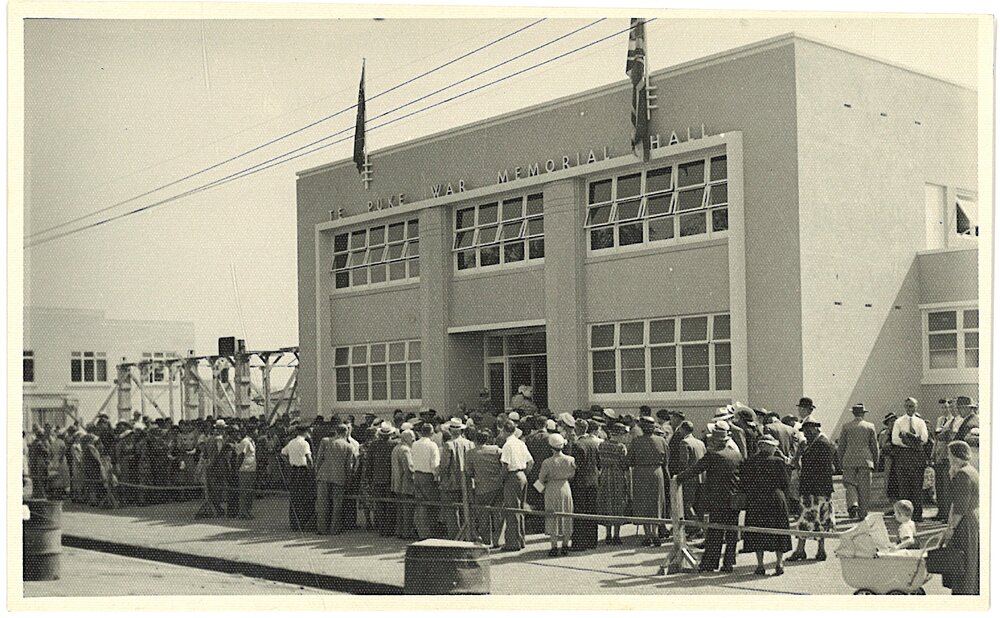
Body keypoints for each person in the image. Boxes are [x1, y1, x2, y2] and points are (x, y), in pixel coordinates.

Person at [676, 421, 741, 573]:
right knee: (732, 532)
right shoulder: (736, 455)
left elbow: (695, 470)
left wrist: (678, 478)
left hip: (717, 498)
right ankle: (728, 563)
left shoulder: (712, 455)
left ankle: (711, 563)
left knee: (715, 532)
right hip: (733, 497)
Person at [740, 435, 792, 576]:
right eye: (773, 445)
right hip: (775, 498)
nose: (775, 448)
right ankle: (779, 562)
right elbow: (786, 483)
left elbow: (744, 482)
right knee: (779, 530)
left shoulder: (750, 462)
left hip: (757, 499)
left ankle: (760, 564)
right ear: (766, 446)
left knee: (758, 531)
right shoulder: (778, 462)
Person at [789, 420, 835, 562]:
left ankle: (805, 549)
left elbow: (814, 467)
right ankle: (815, 550)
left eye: (809, 431)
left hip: (815, 489)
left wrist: (801, 454)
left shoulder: (821, 444)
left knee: (811, 518)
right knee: (817, 519)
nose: (806, 434)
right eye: (805, 432)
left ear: (815, 429)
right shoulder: (814, 443)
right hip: (818, 488)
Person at [942, 440, 979, 595]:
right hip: (971, 521)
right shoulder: (971, 470)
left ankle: (962, 596)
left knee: (960, 562)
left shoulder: (963, 474)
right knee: (969, 561)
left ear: (956, 456)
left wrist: (950, 529)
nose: (948, 458)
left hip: (963, 524)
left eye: (949, 455)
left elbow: (959, 507)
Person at [625, 416, 668, 547]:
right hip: (657, 472)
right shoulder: (661, 441)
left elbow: (629, 460)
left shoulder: (636, 441)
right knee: (656, 501)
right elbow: (666, 459)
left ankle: (648, 534)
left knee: (642, 501)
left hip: (640, 473)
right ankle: (654, 533)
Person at [837, 403, 879, 520]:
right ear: (863, 414)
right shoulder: (870, 426)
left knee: (850, 484)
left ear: (853, 413)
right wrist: (875, 461)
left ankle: (853, 504)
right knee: (864, 488)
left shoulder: (846, 426)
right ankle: (862, 513)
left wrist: (840, 461)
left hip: (849, 460)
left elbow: (841, 446)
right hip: (866, 461)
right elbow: (874, 447)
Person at [892, 398, 929, 522]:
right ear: (904, 407)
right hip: (903, 456)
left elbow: (924, 438)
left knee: (917, 487)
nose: (910, 409)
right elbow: (895, 439)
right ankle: (904, 515)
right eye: (907, 406)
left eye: (912, 406)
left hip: (917, 457)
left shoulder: (920, 422)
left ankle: (917, 515)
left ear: (916, 407)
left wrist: (913, 440)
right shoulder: (898, 422)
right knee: (904, 487)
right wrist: (909, 443)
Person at [538, 432, 576, 557]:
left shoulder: (547, 462)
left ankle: (554, 546)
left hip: (551, 488)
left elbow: (541, 479)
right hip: (565, 487)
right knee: (567, 514)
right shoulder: (570, 460)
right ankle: (565, 545)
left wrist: (539, 490)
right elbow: (572, 475)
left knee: (552, 515)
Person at [466, 428, 505, 547]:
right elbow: (504, 464)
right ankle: (498, 539)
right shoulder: (497, 450)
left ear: (476, 440)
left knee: (483, 515)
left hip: (481, 487)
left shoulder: (471, 453)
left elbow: (469, 472)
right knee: (497, 514)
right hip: (497, 486)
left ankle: (486, 539)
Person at [437, 418, 474, 539]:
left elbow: (444, 466)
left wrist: (441, 479)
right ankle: (467, 534)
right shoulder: (469, 443)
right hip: (466, 480)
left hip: (451, 482)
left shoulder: (448, 445)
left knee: (452, 511)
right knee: (466, 509)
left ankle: (455, 536)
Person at [499, 419, 533, 551]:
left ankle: (512, 542)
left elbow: (505, 465)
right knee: (520, 510)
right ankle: (521, 539)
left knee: (512, 510)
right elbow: (531, 462)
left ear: (504, 430)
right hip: (522, 475)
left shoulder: (508, 445)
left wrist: (502, 479)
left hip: (512, 476)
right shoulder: (520, 443)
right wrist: (524, 474)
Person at [570, 419, 601, 551]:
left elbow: (577, 465)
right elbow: (599, 462)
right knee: (592, 510)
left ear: (577, 429)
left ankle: (579, 542)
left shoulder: (577, 444)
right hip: (593, 480)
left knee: (580, 512)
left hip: (581, 481)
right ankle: (592, 540)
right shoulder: (595, 443)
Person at [597, 422, 630, 545]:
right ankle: (616, 534)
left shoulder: (602, 445)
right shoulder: (620, 447)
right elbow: (624, 464)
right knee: (618, 502)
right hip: (617, 475)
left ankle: (608, 534)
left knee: (607, 502)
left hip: (605, 475)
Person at [366, 422, 398, 536]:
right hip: (390, 478)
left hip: (377, 478)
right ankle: (389, 529)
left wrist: (368, 478)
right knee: (390, 504)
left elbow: (369, 463)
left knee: (379, 505)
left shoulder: (373, 445)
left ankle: (382, 528)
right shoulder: (394, 445)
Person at [281, 425, 314, 532]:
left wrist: (289, 463)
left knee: (294, 496)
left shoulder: (291, 442)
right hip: (303, 471)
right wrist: (312, 469)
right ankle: (303, 522)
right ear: (306, 432)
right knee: (305, 496)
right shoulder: (305, 443)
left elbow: (282, 453)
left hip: (294, 470)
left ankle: (294, 523)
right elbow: (309, 458)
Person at [411, 423, 441, 540]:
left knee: (420, 503)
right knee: (430, 503)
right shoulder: (432, 445)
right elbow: (435, 463)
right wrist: (436, 475)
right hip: (427, 475)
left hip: (417, 474)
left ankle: (421, 530)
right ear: (431, 432)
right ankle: (427, 531)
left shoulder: (415, 444)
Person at [931, 400, 956, 521]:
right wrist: (933, 453)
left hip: (947, 456)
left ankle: (946, 513)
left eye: (948, 407)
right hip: (939, 456)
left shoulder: (953, 421)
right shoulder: (940, 420)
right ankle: (940, 512)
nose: (946, 410)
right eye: (943, 408)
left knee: (947, 487)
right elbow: (936, 439)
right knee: (939, 486)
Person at [391, 428, 417, 539]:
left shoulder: (396, 448)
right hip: (405, 483)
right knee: (407, 510)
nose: (413, 440)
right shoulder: (406, 450)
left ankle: (399, 530)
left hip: (397, 482)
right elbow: (409, 468)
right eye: (412, 438)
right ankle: (406, 532)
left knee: (400, 509)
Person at [234, 426, 257, 519]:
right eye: (255, 432)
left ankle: (248, 510)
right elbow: (241, 456)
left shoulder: (252, 442)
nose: (256, 433)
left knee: (250, 492)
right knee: (244, 492)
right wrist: (237, 468)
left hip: (252, 469)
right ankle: (243, 512)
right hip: (245, 470)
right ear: (251, 432)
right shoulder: (245, 442)